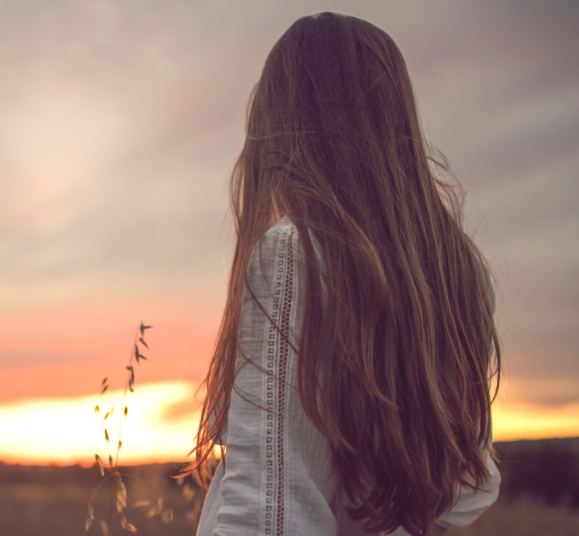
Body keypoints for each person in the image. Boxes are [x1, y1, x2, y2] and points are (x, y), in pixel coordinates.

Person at [186, 13, 501, 536]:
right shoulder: (460, 270)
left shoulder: (293, 254)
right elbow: (466, 484)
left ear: (283, 125)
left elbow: (270, 507)